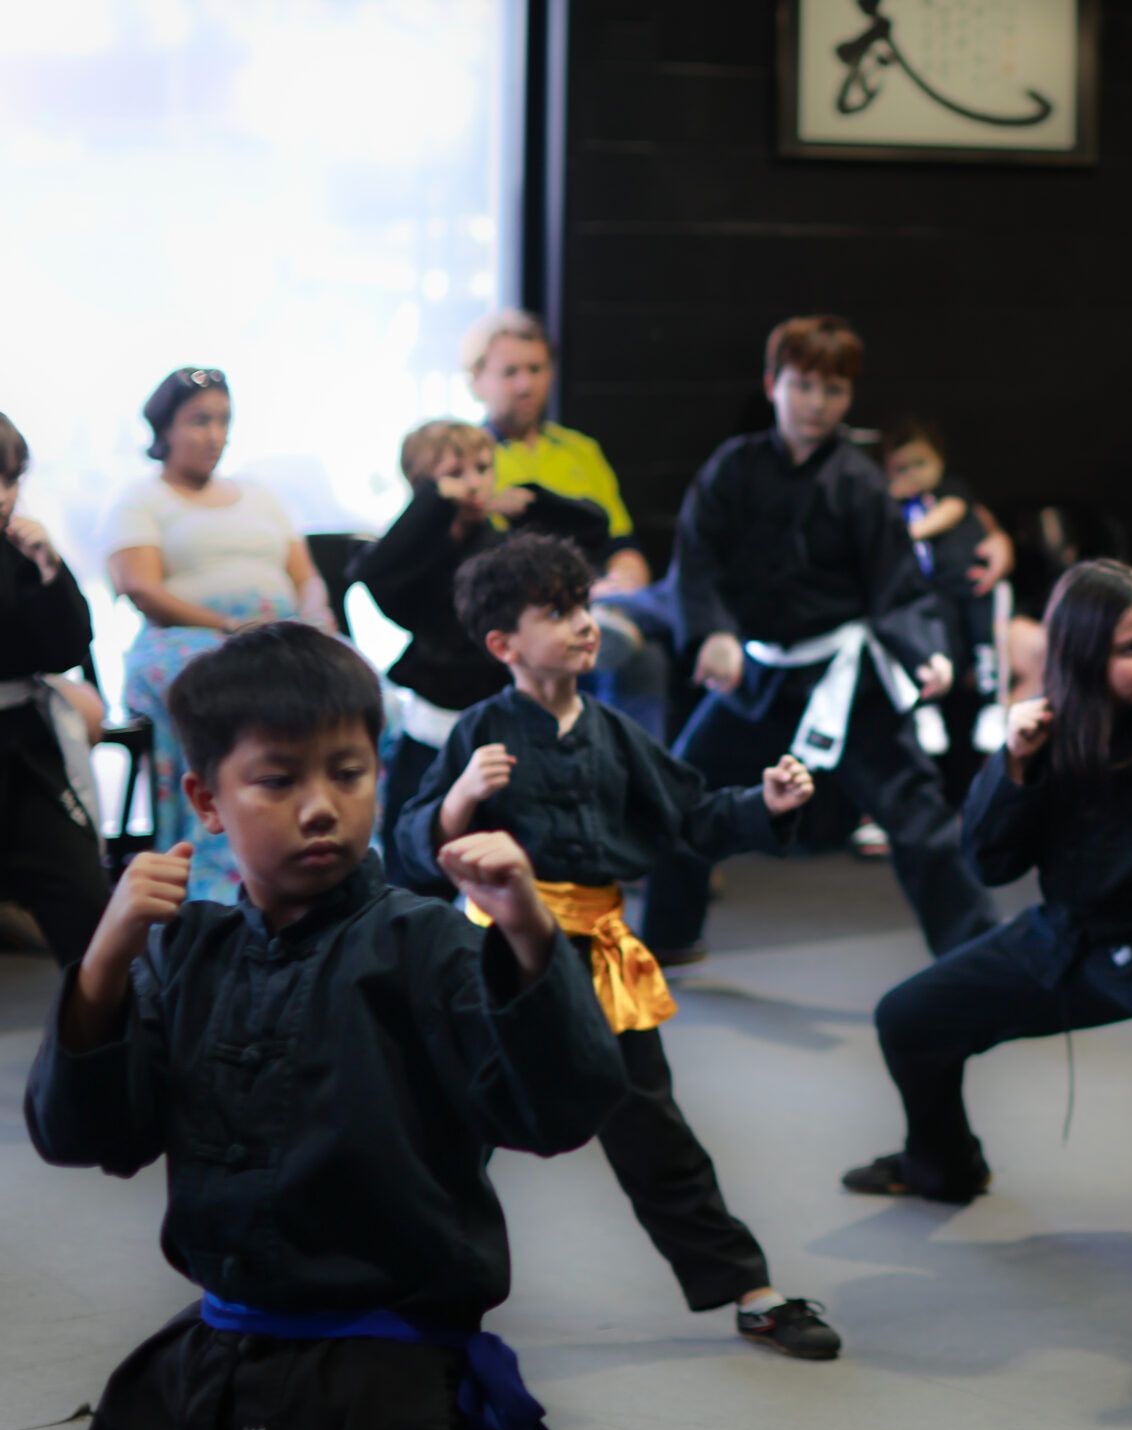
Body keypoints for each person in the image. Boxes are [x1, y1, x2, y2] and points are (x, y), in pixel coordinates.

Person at [14, 621, 629, 1430]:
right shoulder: (184, 952)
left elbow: (556, 1111)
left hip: (380, 1378)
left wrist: (528, 932)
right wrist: (106, 955)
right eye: (278, 780)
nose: (319, 807)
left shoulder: (424, 943)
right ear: (205, 802)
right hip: (216, 1353)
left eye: (347, 775)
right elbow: (84, 1135)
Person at [392, 534, 844, 1359]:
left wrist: (768, 804)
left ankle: (750, 1288)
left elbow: (696, 816)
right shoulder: (480, 732)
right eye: (558, 614)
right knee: (456, 1127)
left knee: (654, 1129)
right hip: (496, 956)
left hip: (602, 954)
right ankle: (408, 1292)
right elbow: (409, 843)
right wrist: (457, 799)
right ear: (503, 644)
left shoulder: (613, 732)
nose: (584, 625)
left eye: (586, 607)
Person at [842, 561, 1132, 1244]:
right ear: (1085, 655)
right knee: (909, 1017)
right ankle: (942, 1165)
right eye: (1131, 648)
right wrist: (1011, 765)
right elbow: (987, 859)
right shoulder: (1047, 732)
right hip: (1069, 936)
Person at [641, 314, 997, 963]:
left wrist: (931, 656)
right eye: (803, 385)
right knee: (684, 787)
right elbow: (695, 563)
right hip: (756, 676)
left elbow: (899, 588)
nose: (816, 403)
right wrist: (714, 634)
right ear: (773, 383)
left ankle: (976, 955)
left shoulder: (860, 484)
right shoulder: (732, 468)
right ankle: (667, 936)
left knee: (917, 815)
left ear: (849, 396)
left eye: (833, 390)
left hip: (843, 679)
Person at [105, 367, 336, 902]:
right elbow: (140, 587)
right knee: (226, 696)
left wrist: (315, 618)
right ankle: (222, 870)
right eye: (199, 420)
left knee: (358, 688)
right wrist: (229, 627)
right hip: (186, 637)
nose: (214, 434)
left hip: (279, 634)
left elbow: (307, 577)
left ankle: (333, 854)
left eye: (223, 421)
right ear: (164, 430)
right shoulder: (142, 500)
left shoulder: (259, 495)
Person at [353, 418, 611, 848]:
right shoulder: (412, 555)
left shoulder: (504, 547)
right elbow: (375, 573)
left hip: (503, 712)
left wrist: (535, 502)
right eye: (455, 474)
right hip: (436, 717)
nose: (474, 484)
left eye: (482, 468)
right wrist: (434, 502)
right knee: (414, 835)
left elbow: (593, 530)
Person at [466, 308, 673, 734]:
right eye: (510, 372)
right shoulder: (470, 461)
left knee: (642, 653)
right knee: (632, 636)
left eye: (536, 369)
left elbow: (621, 544)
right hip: (527, 608)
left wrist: (623, 579)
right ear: (477, 380)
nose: (525, 384)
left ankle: (639, 786)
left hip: (598, 595)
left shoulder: (580, 451)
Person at [0, 411, 110, 965]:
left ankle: (107, 1039)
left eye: (12, 479)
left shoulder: (21, 548)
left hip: (23, 748)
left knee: (86, 901)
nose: (3, 495)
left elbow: (67, 649)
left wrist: (49, 569)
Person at [881, 418, 1014, 807]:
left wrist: (912, 531)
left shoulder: (949, 493)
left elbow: (953, 512)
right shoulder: (890, 509)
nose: (914, 476)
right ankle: (929, 710)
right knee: (936, 643)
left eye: (921, 464)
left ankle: (994, 705)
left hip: (972, 583)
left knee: (987, 636)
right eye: (901, 469)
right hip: (931, 597)